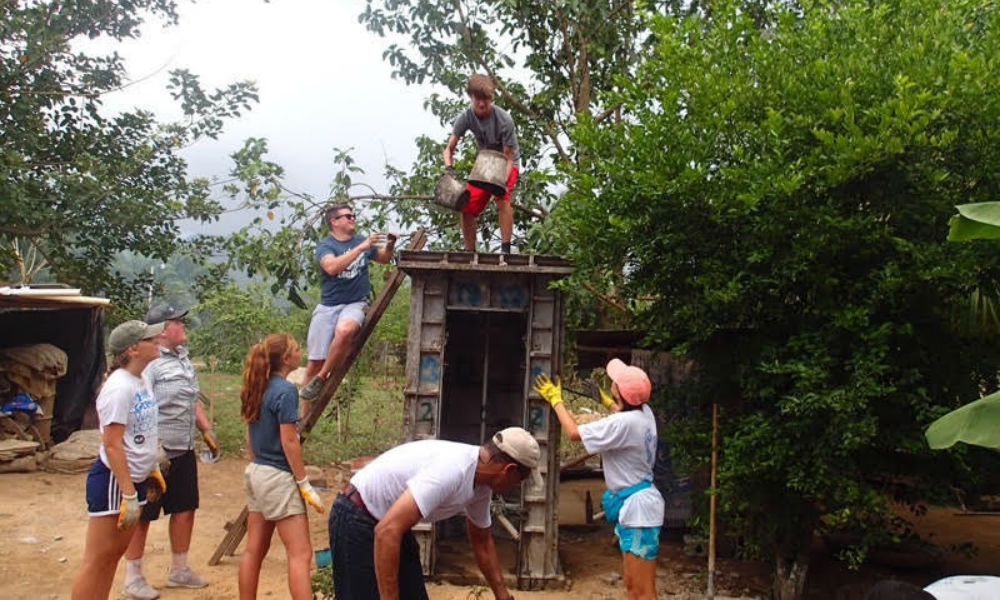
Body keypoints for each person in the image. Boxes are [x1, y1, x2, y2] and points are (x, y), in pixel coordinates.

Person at [329, 426, 540, 600]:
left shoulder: (481, 485)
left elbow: (482, 542)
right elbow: (386, 532)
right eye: (519, 481)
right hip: (357, 518)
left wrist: (502, 596)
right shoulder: (452, 471)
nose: (516, 487)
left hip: (388, 525)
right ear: (509, 470)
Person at [534, 359, 664, 600]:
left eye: (615, 384)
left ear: (621, 393)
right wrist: (606, 402)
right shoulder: (646, 413)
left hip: (639, 509)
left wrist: (556, 400)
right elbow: (622, 413)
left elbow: (573, 433)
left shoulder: (622, 424)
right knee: (633, 588)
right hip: (638, 504)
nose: (612, 384)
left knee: (643, 592)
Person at [121, 304, 218, 598]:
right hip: (156, 454)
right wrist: (151, 449)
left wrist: (206, 430)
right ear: (163, 330)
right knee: (144, 515)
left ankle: (179, 570)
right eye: (179, 322)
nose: (183, 326)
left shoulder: (183, 361)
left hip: (184, 448)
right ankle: (133, 577)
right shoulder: (149, 364)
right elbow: (140, 406)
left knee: (185, 508)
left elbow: (193, 400)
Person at [71, 320, 165, 600]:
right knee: (97, 559)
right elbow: (112, 445)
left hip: (136, 477)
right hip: (116, 481)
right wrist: (128, 494)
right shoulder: (119, 387)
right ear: (133, 349)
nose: (157, 340)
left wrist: (152, 465)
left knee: (114, 555)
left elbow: (141, 431)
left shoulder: (142, 380)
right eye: (150, 338)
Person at [238, 333, 325, 600]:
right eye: (297, 349)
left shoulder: (259, 384)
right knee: (301, 554)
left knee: (254, 550)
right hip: (277, 477)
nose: (302, 352)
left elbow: (249, 435)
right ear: (286, 359)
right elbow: (289, 440)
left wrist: (258, 459)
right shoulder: (286, 391)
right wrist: (303, 482)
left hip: (256, 473)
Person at [299, 203, 397, 410]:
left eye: (353, 215)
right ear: (334, 222)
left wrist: (389, 245)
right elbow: (332, 267)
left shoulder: (361, 240)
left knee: (346, 330)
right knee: (313, 364)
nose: (352, 218)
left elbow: (383, 259)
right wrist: (361, 248)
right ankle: (300, 421)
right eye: (347, 216)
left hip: (356, 302)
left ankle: (323, 376)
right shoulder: (325, 246)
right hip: (328, 306)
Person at [443, 73, 520, 254]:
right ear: (471, 96)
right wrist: (449, 171)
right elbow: (449, 149)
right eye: (478, 99)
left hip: (506, 161)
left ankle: (505, 250)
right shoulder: (466, 117)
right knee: (466, 205)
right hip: (485, 163)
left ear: (490, 98)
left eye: (485, 99)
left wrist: (503, 184)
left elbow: (508, 158)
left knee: (502, 198)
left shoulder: (504, 119)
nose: (482, 104)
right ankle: (470, 253)